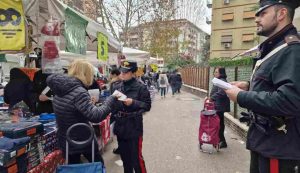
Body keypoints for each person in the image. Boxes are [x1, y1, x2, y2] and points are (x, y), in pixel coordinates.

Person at [224, 0, 300, 172]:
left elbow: (290, 100)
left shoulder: (292, 50)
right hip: (265, 142)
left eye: (263, 13)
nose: (256, 18)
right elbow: (274, 84)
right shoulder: (276, 47)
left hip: (279, 148)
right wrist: (248, 86)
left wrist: (241, 97)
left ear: (281, 14)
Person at [46, 59, 120, 165]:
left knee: (74, 167)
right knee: (97, 166)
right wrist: (111, 99)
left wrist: (88, 104)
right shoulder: (79, 91)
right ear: (85, 74)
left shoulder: (60, 88)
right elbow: (96, 116)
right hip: (82, 138)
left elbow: (70, 110)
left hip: (66, 137)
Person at [112, 60, 151, 173]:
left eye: (126, 72)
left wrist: (134, 102)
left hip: (134, 126)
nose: (122, 74)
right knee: (125, 160)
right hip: (120, 127)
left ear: (133, 73)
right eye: (122, 72)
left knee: (136, 160)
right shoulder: (117, 86)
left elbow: (147, 105)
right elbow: (113, 106)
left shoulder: (141, 88)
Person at [209, 67, 230, 148]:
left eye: (217, 72)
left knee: (219, 124)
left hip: (220, 106)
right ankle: (220, 140)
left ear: (221, 73)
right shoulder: (219, 80)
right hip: (218, 105)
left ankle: (222, 141)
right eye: (214, 72)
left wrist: (212, 98)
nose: (215, 73)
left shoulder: (222, 81)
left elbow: (221, 92)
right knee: (219, 123)